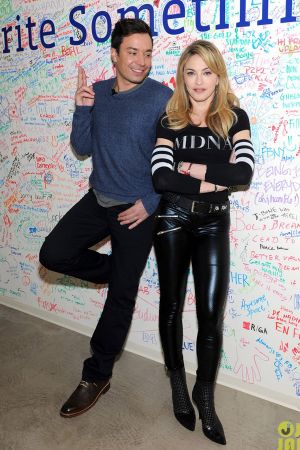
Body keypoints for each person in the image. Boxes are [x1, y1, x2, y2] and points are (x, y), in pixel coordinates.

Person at [39, 18, 172, 418]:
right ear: (114, 55)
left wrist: (151, 201)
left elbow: (175, 161)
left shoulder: (162, 97)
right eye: (132, 53)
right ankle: (117, 274)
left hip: (137, 210)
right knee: (54, 254)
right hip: (99, 198)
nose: (141, 61)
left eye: (147, 53)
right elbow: (82, 146)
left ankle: (96, 374)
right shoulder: (97, 92)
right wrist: (82, 108)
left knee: (120, 300)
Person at [151, 40, 254, 445]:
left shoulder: (235, 118)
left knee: (211, 315)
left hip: (214, 223)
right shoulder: (169, 121)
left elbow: (242, 172)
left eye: (206, 72)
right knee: (171, 305)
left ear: (218, 75)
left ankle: (204, 393)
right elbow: (162, 179)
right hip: (172, 218)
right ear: (182, 77)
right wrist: (215, 177)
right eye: (190, 72)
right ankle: (178, 382)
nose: (198, 81)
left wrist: (190, 167)